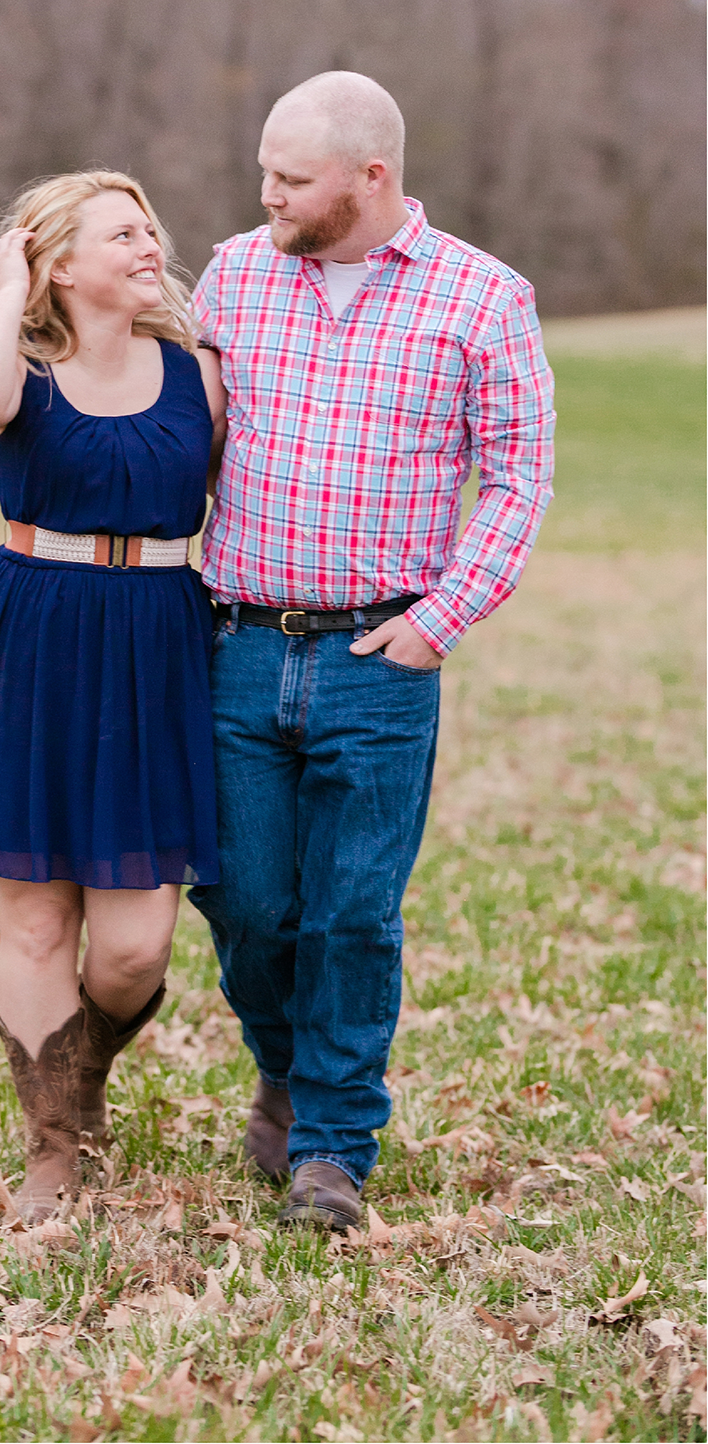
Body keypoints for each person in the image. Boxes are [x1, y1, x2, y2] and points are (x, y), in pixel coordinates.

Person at [190, 69, 554, 1233]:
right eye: (264, 172)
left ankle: (332, 1148)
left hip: (378, 658)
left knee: (353, 910)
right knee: (245, 900)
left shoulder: (483, 299)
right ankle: (286, 1067)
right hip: (238, 645)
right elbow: (172, 433)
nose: (267, 195)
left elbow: (517, 479)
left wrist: (441, 619)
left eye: (289, 178)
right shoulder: (236, 274)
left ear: (371, 176)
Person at [0, 169, 225, 1225]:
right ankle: (52, 1150)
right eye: (121, 232)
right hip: (30, 639)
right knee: (34, 926)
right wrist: (3, 283)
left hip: (158, 644)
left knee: (133, 946)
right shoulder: (19, 371)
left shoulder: (196, 373)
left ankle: (79, 1071)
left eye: (150, 228)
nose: (148, 243)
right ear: (58, 263)